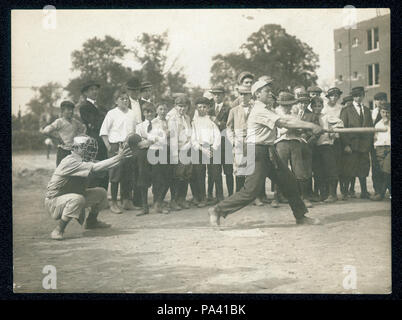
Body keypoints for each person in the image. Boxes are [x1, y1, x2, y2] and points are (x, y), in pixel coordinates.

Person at [208, 77, 324, 227]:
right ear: (257, 94)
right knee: (250, 191)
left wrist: (305, 127)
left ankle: (300, 216)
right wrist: (310, 125)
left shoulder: (266, 109)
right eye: (267, 91)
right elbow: (285, 122)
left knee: (289, 183)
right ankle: (217, 210)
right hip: (256, 151)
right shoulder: (259, 110)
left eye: (270, 91)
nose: (270, 93)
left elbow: (285, 123)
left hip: (268, 150)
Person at [44, 135, 133, 240]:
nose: (90, 150)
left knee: (101, 193)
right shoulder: (71, 161)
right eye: (86, 147)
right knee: (77, 199)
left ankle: (92, 222)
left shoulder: (83, 160)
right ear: (75, 148)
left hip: (68, 196)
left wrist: (121, 158)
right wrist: (118, 157)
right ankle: (59, 230)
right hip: (54, 201)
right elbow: (96, 167)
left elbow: (104, 166)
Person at [99, 89, 137, 214]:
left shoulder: (132, 113)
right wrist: (109, 147)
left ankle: (127, 201)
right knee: (115, 175)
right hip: (116, 146)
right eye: (122, 99)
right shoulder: (111, 113)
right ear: (116, 101)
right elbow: (104, 132)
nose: (125, 101)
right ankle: (113, 202)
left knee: (128, 174)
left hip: (129, 146)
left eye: (126, 99)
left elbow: (135, 130)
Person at [274, 92, 313, 208]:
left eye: (290, 105)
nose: (288, 108)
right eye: (285, 105)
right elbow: (275, 131)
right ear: (280, 105)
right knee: (281, 169)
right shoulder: (275, 114)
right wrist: (287, 128)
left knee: (299, 170)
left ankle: (304, 197)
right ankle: (277, 197)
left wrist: (297, 129)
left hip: (295, 142)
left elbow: (300, 128)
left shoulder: (295, 114)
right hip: (281, 142)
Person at [339, 86, 374, 199]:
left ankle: (364, 191)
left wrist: (368, 144)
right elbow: (342, 129)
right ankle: (347, 192)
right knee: (350, 168)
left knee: (363, 168)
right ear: (353, 97)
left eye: (360, 95)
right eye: (355, 96)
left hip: (364, 145)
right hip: (352, 145)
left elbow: (370, 128)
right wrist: (346, 145)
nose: (358, 98)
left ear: (363, 96)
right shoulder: (346, 110)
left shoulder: (367, 110)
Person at [309, 97, 344, 202]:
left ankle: (332, 194)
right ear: (311, 107)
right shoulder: (310, 118)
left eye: (319, 106)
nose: (317, 108)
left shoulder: (326, 117)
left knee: (330, 170)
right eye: (315, 106)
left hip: (326, 146)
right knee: (318, 172)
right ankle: (322, 194)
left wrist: (333, 130)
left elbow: (340, 123)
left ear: (322, 107)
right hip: (314, 147)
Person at [190, 97, 222, 207]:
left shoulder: (211, 120)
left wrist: (213, 148)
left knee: (215, 173)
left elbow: (217, 135)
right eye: (200, 107)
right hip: (200, 149)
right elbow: (193, 139)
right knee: (200, 174)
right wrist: (202, 149)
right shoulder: (194, 122)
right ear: (196, 108)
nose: (202, 109)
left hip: (212, 148)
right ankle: (202, 197)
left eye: (204, 107)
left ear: (208, 108)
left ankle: (219, 197)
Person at [78, 81, 109, 190]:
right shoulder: (84, 107)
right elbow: (95, 123)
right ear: (85, 93)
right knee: (94, 168)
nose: (95, 91)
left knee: (105, 167)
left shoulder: (102, 107)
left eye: (96, 89)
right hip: (94, 141)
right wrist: (106, 120)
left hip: (105, 140)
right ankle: (93, 198)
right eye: (91, 89)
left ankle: (103, 196)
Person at [40, 101, 86, 166]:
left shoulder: (76, 122)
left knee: (75, 173)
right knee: (61, 173)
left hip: (74, 152)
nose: (71, 112)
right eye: (68, 110)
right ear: (62, 111)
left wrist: (80, 139)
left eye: (72, 110)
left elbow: (84, 129)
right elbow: (45, 131)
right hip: (63, 152)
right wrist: (57, 137)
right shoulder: (59, 122)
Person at [226, 85, 253, 193]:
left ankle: (254, 195)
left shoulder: (255, 109)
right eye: (241, 94)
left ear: (250, 95)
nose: (243, 96)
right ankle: (239, 193)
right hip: (239, 141)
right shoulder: (234, 110)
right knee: (239, 167)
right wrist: (233, 140)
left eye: (246, 94)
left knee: (252, 167)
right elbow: (229, 127)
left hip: (252, 140)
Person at [168, 95, 193, 210]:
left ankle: (181, 199)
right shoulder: (172, 119)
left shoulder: (187, 118)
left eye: (185, 106)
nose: (182, 109)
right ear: (175, 106)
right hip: (178, 150)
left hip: (188, 149)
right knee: (177, 176)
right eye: (180, 106)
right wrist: (175, 154)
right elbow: (173, 138)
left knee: (186, 175)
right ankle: (173, 200)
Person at [209, 86, 234, 201]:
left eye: (219, 94)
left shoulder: (229, 109)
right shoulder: (209, 109)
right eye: (214, 94)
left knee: (228, 171)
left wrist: (217, 122)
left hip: (226, 143)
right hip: (214, 144)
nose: (217, 96)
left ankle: (231, 194)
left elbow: (230, 125)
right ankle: (219, 195)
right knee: (216, 171)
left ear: (223, 96)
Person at [147, 103, 171, 214]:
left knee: (166, 177)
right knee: (157, 177)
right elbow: (152, 138)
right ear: (156, 110)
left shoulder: (169, 122)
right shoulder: (153, 122)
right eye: (160, 109)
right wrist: (165, 134)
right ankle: (157, 203)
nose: (163, 111)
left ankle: (160, 200)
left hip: (166, 150)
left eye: (165, 109)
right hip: (155, 151)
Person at [322, 87, 344, 199]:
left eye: (336, 95)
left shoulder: (341, 108)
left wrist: (334, 129)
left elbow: (342, 122)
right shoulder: (323, 108)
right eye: (332, 95)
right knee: (325, 166)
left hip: (337, 139)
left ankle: (333, 193)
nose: (334, 98)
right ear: (328, 97)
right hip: (324, 140)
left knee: (335, 165)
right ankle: (324, 193)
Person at [135, 103, 157, 216]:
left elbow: (159, 138)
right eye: (147, 112)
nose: (149, 114)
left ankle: (157, 203)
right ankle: (144, 206)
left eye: (151, 111)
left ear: (155, 112)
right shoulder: (139, 126)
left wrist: (148, 140)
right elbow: (138, 142)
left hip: (157, 153)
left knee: (157, 177)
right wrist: (151, 140)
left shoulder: (158, 124)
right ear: (143, 113)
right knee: (143, 177)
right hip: (143, 154)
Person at [370, 102, 391, 201]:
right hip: (379, 149)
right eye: (383, 112)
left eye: (388, 112)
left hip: (390, 149)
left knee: (387, 170)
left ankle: (381, 194)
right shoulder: (377, 124)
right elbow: (375, 138)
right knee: (383, 172)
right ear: (380, 112)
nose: (385, 114)